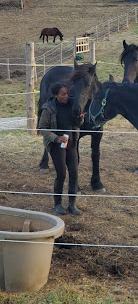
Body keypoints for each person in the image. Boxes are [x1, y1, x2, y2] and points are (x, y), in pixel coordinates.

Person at [38, 82, 81, 216]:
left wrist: (80, 119)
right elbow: (42, 128)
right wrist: (56, 139)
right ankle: (57, 204)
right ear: (55, 95)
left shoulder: (73, 104)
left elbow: (78, 124)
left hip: (72, 143)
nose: (66, 96)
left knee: (74, 173)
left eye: (67, 93)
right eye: (63, 94)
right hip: (57, 146)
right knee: (61, 174)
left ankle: (72, 205)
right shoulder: (48, 108)